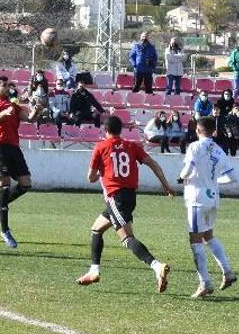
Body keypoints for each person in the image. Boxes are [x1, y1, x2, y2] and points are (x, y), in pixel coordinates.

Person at [75, 115, 176, 293]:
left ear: (105, 131)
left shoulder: (100, 147)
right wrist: (166, 186)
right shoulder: (132, 146)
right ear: (120, 130)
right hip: (129, 197)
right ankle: (93, 271)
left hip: (116, 197)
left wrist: (101, 171)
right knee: (96, 229)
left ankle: (157, 266)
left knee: (127, 239)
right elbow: (153, 163)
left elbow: (90, 178)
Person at [178, 116, 239, 299]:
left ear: (197, 130)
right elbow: (233, 178)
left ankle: (205, 283)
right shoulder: (219, 150)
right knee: (208, 236)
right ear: (214, 131)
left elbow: (188, 169)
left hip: (197, 198)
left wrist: (180, 178)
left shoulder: (194, 147)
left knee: (195, 239)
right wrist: (214, 182)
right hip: (213, 198)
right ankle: (228, 272)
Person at [0, 76, 30, 248]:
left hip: (14, 147)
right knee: (4, 184)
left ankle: (1, 203)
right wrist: (5, 112)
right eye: (4, 85)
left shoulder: (14, 105)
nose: (7, 87)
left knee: (26, 184)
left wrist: (38, 108)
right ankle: (5, 230)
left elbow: (29, 117)